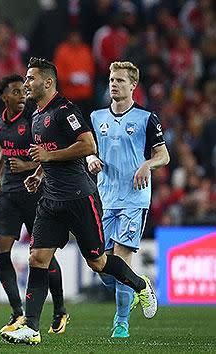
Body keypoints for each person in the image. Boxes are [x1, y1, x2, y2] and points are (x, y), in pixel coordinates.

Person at [1, 57, 157, 346]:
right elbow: (48, 153)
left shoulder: (65, 110)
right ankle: (32, 328)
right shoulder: (36, 116)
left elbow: (88, 145)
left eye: (31, 78)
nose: (26, 83)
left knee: (97, 262)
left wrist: (47, 158)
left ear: (48, 82)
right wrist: (39, 173)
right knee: (37, 258)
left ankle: (140, 284)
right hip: (50, 200)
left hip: (79, 198)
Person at [87, 61, 169, 338]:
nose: (114, 84)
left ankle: (121, 324)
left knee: (121, 258)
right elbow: (89, 150)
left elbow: (163, 155)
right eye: (111, 79)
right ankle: (139, 285)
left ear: (133, 85)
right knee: (99, 264)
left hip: (134, 199)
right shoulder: (97, 117)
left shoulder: (147, 119)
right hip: (105, 198)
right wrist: (91, 159)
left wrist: (147, 165)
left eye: (120, 80)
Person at [0, 74, 69, 336]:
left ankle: (59, 309)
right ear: (4, 97)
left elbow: (50, 153)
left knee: (43, 255)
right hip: (9, 194)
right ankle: (17, 311)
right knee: (1, 250)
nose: (22, 95)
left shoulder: (33, 121)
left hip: (36, 193)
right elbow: (6, 148)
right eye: (15, 92)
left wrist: (27, 166)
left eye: (23, 91)